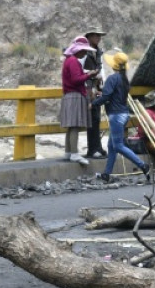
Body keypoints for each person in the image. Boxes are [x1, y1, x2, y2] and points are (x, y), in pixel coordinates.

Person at [91, 51, 149, 183]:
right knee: (111, 145)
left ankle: (142, 165)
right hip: (124, 114)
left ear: (114, 65)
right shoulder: (124, 80)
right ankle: (107, 173)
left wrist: (93, 104)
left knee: (118, 146)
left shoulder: (112, 79)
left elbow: (106, 97)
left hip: (116, 116)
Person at [60, 36, 100, 166]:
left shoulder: (69, 60)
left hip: (69, 95)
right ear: (78, 50)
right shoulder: (73, 61)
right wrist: (89, 74)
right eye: (83, 50)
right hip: (74, 95)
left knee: (71, 126)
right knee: (75, 125)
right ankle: (74, 154)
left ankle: (68, 152)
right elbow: (76, 79)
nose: (84, 53)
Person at [83, 28, 107, 159]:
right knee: (91, 119)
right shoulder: (84, 52)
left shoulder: (98, 52)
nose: (99, 38)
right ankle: (92, 149)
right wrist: (92, 75)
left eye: (99, 36)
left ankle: (98, 147)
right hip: (88, 87)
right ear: (90, 37)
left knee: (97, 118)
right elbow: (81, 70)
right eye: (96, 36)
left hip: (97, 87)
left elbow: (100, 68)